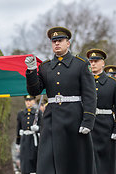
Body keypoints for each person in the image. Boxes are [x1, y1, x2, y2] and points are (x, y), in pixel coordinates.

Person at [25, 26, 97, 174]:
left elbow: (90, 95)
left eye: (60, 40)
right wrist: (32, 71)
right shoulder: (45, 67)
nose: (56, 44)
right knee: (47, 160)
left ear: (68, 43)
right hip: (52, 118)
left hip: (74, 118)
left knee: (75, 161)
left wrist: (88, 121)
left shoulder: (81, 64)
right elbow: (34, 91)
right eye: (54, 41)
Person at [87, 50, 116, 174]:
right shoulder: (85, 81)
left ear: (103, 63)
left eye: (96, 61)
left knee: (107, 163)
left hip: (106, 126)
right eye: (91, 61)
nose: (93, 64)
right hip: (89, 125)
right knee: (89, 161)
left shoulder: (113, 83)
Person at [16, 95, 41, 174]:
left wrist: (38, 128)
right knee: (25, 162)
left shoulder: (38, 113)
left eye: (30, 100)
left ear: (34, 101)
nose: (28, 102)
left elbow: (43, 127)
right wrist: (18, 143)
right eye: (27, 101)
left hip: (34, 141)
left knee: (34, 160)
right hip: (24, 141)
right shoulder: (21, 114)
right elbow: (18, 128)